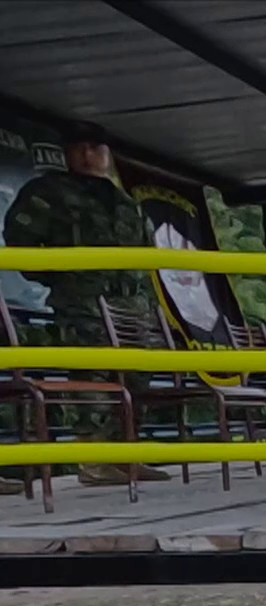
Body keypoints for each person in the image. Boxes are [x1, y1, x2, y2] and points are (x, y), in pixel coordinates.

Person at [2, 120, 168, 487]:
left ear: (108, 155)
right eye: (79, 147)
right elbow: (19, 241)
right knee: (91, 377)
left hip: (130, 308)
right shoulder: (48, 192)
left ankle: (124, 455)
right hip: (82, 304)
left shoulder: (125, 202)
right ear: (66, 154)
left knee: (135, 378)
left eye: (95, 148)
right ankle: (92, 459)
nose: (87, 155)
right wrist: (62, 278)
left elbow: (146, 254)